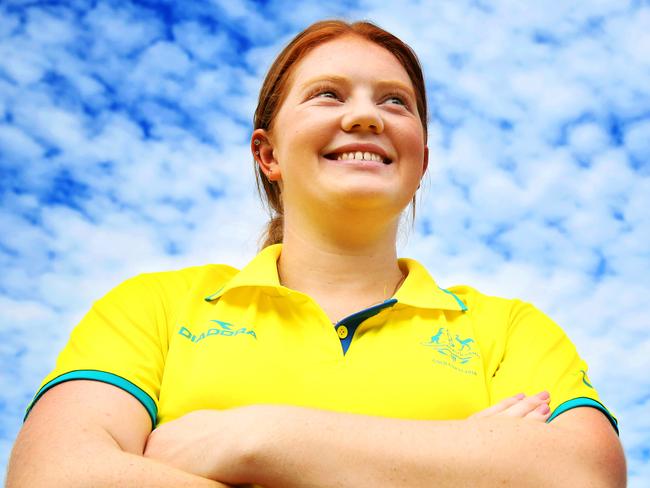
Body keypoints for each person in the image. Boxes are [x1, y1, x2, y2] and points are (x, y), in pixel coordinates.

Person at [7, 19, 626, 487]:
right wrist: (463, 458)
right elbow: (54, 474)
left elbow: (584, 472)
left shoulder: (509, 329)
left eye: (395, 102)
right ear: (267, 154)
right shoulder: (154, 308)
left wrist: (256, 438)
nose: (366, 116)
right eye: (328, 95)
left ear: (420, 163)